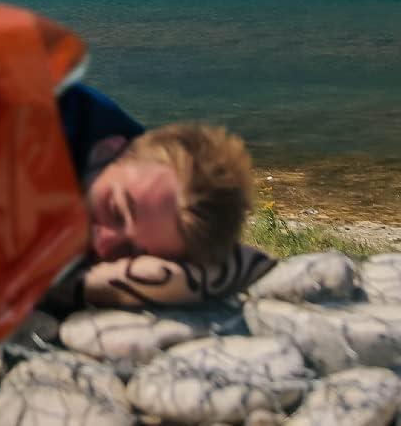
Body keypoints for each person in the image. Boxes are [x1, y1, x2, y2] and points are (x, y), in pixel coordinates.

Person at [51, 82, 269, 309]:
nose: (102, 244)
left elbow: (250, 263)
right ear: (106, 150)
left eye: (130, 253)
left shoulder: (127, 171)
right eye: (116, 210)